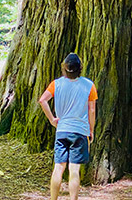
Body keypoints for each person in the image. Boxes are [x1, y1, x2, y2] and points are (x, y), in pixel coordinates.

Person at [39, 53, 97, 200]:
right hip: (80, 131)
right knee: (74, 169)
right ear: (80, 68)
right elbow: (92, 110)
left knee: (58, 167)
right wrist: (91, 130)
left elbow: (42, 100)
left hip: (62, 130)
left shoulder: (56, 84)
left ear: (64, 68)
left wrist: (52, 119)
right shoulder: (89, 85)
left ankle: (53, 199)